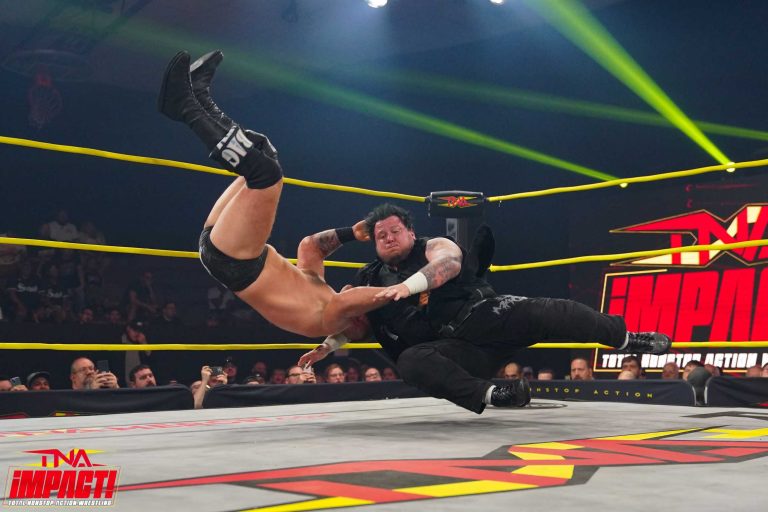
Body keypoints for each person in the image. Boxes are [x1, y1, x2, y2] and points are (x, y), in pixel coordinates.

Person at [300, 203, 671, 414]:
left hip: (486, 317)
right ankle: (494, 395)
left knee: (554, 311)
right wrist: (329, 346)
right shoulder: (368, 278)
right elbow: (359, 325)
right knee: (411, 362)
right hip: (454, 353)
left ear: (411, 232)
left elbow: (448, 265)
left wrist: (406, 287)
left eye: (394, 231)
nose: (388, 238)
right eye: (380, 236)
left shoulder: (432, 246)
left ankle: (626, 339)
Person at [159, 50, 393, 339]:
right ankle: (199, 98)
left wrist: (403, 288)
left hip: (237, 262)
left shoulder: (330, 321)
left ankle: (184, 106)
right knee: (264, 153)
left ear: (358, 321)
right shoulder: (323, 292)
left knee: (265, 176)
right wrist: (350, 235)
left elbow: (350, 301)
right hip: (230, 246)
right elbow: (310, 248)